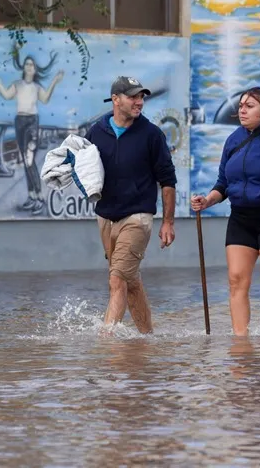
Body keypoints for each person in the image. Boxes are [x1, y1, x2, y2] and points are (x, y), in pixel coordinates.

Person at [190, 85, 260, 336]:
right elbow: (223, 182)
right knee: (236, 281)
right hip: (241, 217)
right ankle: (241, 343)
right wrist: (208, 200)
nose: (242, 110)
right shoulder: (233, 139)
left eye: (249, 106)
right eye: (241, 105)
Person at [86, 76, 177, 334]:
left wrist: (168, 221)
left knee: (116, 279)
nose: (139, 102)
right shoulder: (96, 131)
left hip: (138, 217)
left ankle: (108, 341)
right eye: (133, 96)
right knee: (130, 280)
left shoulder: (152, 135)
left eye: (141, 97)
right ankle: (147, 339)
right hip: (105, 216)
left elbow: (168, 181)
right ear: (116, 99)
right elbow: (84, 167)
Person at [0, 46, 64, 215]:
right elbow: (6, 95)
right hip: (19, 122)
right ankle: (31, 196)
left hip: (32, 123)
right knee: (26, 162)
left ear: (35, 69)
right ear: (24, 67)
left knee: (29, 161)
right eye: (27, 64)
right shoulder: (17, 84)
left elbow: (45, 99)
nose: (29, 66)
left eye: (32, 65)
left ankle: (39, 198)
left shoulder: (36, 87)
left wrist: (54, 82)